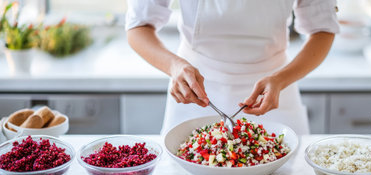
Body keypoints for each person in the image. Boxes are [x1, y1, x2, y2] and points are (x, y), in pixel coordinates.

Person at [126, 0, 339, 135]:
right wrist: (174, 66)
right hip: (195, 89)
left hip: (275, 90)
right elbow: (138, 26)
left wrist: (280, 79)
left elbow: (322, 30)